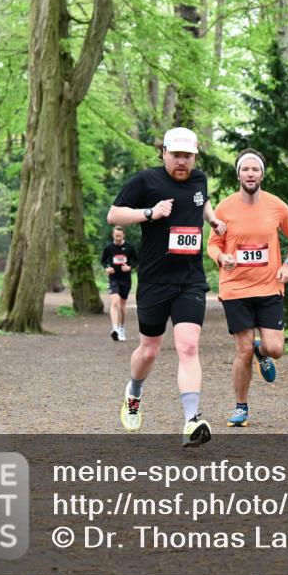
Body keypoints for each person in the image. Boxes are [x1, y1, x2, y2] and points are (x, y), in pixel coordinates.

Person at [106, 127, 226, 448]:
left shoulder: (200, 179)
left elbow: (201, 201)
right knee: (150, 350)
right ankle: (133, 392)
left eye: (188, 156)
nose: (183, 162)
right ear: (164, 154)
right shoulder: (147, 181)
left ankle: (191, 421)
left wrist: (212, 220)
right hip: (155, 281)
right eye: (177, 156)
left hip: (190, 280)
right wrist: (150, 213)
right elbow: (113, 214)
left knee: (188, 347)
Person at [207, 149, 288, 428]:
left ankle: (263, 352)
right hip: (235, 289)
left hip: (269, 287)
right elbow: (212, 243)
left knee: (275, 349)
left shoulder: (276, 206)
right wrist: (220, 256)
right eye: (245, 169)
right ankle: (241, 407)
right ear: (238, 173)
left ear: (262, 174)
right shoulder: (224, 207)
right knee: (243, 350)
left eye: (255, 169)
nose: (250, 174)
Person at [100, 225, 138, 341]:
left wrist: (129, 267)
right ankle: (115, 328)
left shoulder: (129, 247)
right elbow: (103, 261)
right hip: (114, 279)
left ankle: (121, 328)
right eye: (116, 236)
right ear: (113, 235)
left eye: (119, 236)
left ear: (123, 236)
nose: (117, 238)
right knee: (114, 302)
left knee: (122, 306)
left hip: (125, 279)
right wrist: (107, 268)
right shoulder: (109, 248)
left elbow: (136, 261)